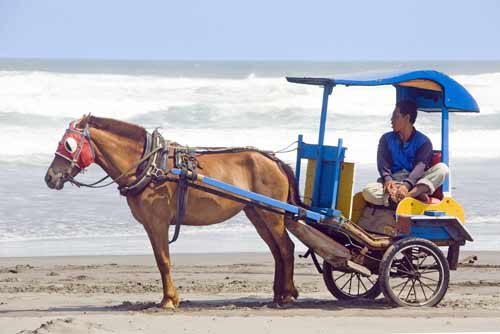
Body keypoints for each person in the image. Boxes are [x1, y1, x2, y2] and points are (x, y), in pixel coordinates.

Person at [362, 100, 449, 207]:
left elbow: (420, 168)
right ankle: (409, 197)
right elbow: (382, 164)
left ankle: (408, 196)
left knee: (442, 169)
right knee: (367, 191)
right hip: (394, 181)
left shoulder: (424, 142)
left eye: (395, 116)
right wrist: (388, 180)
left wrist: (406, 186)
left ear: (407, 118)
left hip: (416, 182)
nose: (391, 120)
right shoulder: (386, 139)